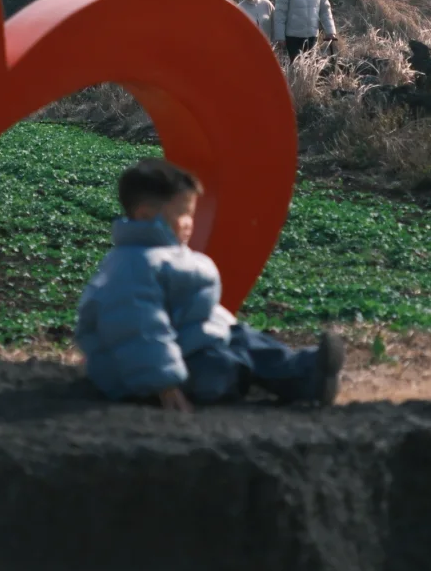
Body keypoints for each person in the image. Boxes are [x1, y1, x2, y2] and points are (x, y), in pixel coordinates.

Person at [76, 158, 344, 409]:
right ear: (146, 216)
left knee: (250, 343)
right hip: (143, 373)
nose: (190, 224)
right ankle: (248, 381)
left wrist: (226, 327)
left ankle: (310, 373)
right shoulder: (134, 266)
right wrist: (163, 383)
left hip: (190, 345)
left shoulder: (166, 255)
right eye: (183, 214)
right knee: (223, 365)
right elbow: (139, 330)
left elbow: (195, 308)